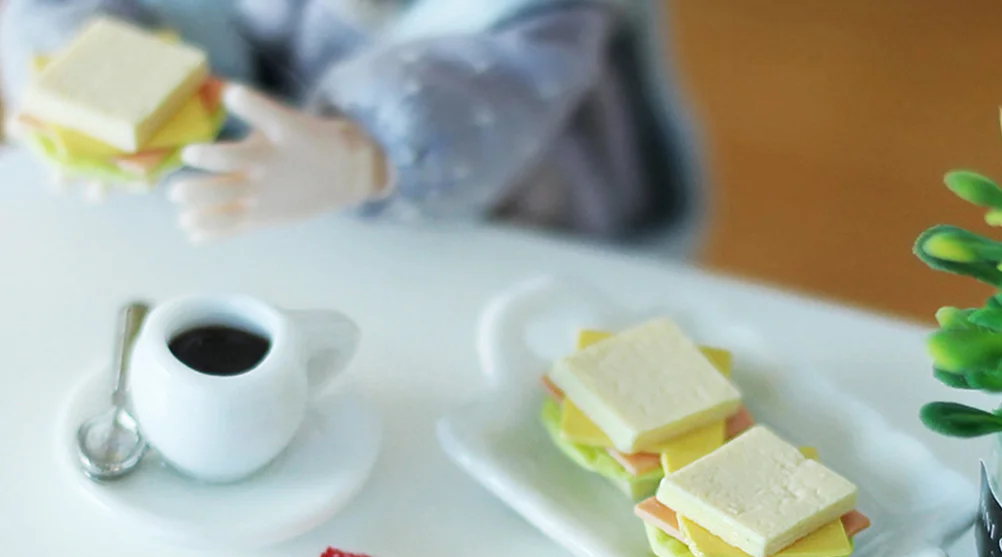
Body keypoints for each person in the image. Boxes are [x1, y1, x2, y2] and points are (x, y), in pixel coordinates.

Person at [0, 0, 704, 249]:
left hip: (474, 172)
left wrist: (370, 150)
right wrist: (78, 72)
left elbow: (513, 74)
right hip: (202, 201)